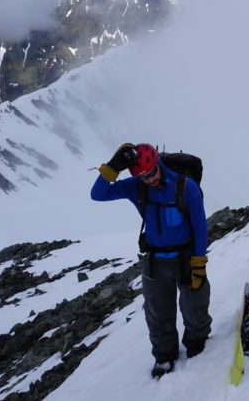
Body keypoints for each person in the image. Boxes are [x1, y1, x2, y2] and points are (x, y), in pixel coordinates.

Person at [91, 143, 211, 378]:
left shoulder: (186, 187)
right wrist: (112, 168)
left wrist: (199, 262)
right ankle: (164, 356)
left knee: (194, 306)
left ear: (159, 164)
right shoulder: (137, 187)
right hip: (155, 260)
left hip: (186, 257)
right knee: (157, 314)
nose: (149, 180)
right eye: (142, 176)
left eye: (151, 173)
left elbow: (200, 225)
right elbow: (98, 194)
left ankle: (197, 344)